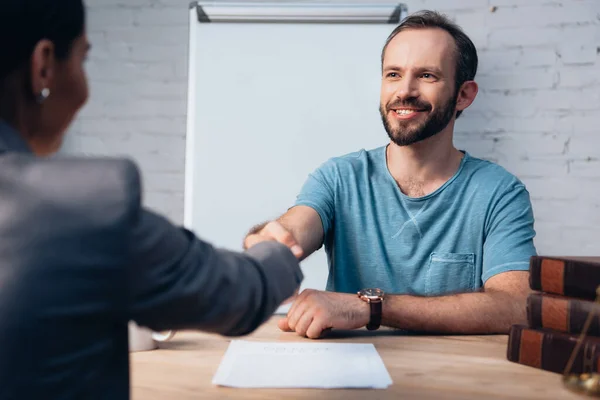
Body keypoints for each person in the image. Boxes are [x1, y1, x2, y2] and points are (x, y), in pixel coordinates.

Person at [0, 1, 302, 399]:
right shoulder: (85, 207)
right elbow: (238, 294)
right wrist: (277, 254)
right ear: (44, 66)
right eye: (82, 59)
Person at [244, 10, 537, 339]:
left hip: (455, 377)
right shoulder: (340, 177)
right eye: (393, 74)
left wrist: (371, 307)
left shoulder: (499, 192)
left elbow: (515, 305)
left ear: (464, 94)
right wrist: (274, 242)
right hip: (348, 374)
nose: (405, 91)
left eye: (427, 76)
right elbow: (298, 226)